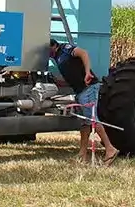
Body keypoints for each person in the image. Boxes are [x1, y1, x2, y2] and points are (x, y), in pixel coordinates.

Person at [48, 38, 119, 166]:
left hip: (88, 88)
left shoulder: (66, 49)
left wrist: (87, 73)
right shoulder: (57, 58)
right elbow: (73, 74)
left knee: (92, 119)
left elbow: (84, 53)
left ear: (52, 46)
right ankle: (82, 154)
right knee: (84, 123)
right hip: (80, 91)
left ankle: (110, 149)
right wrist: (61, 83)